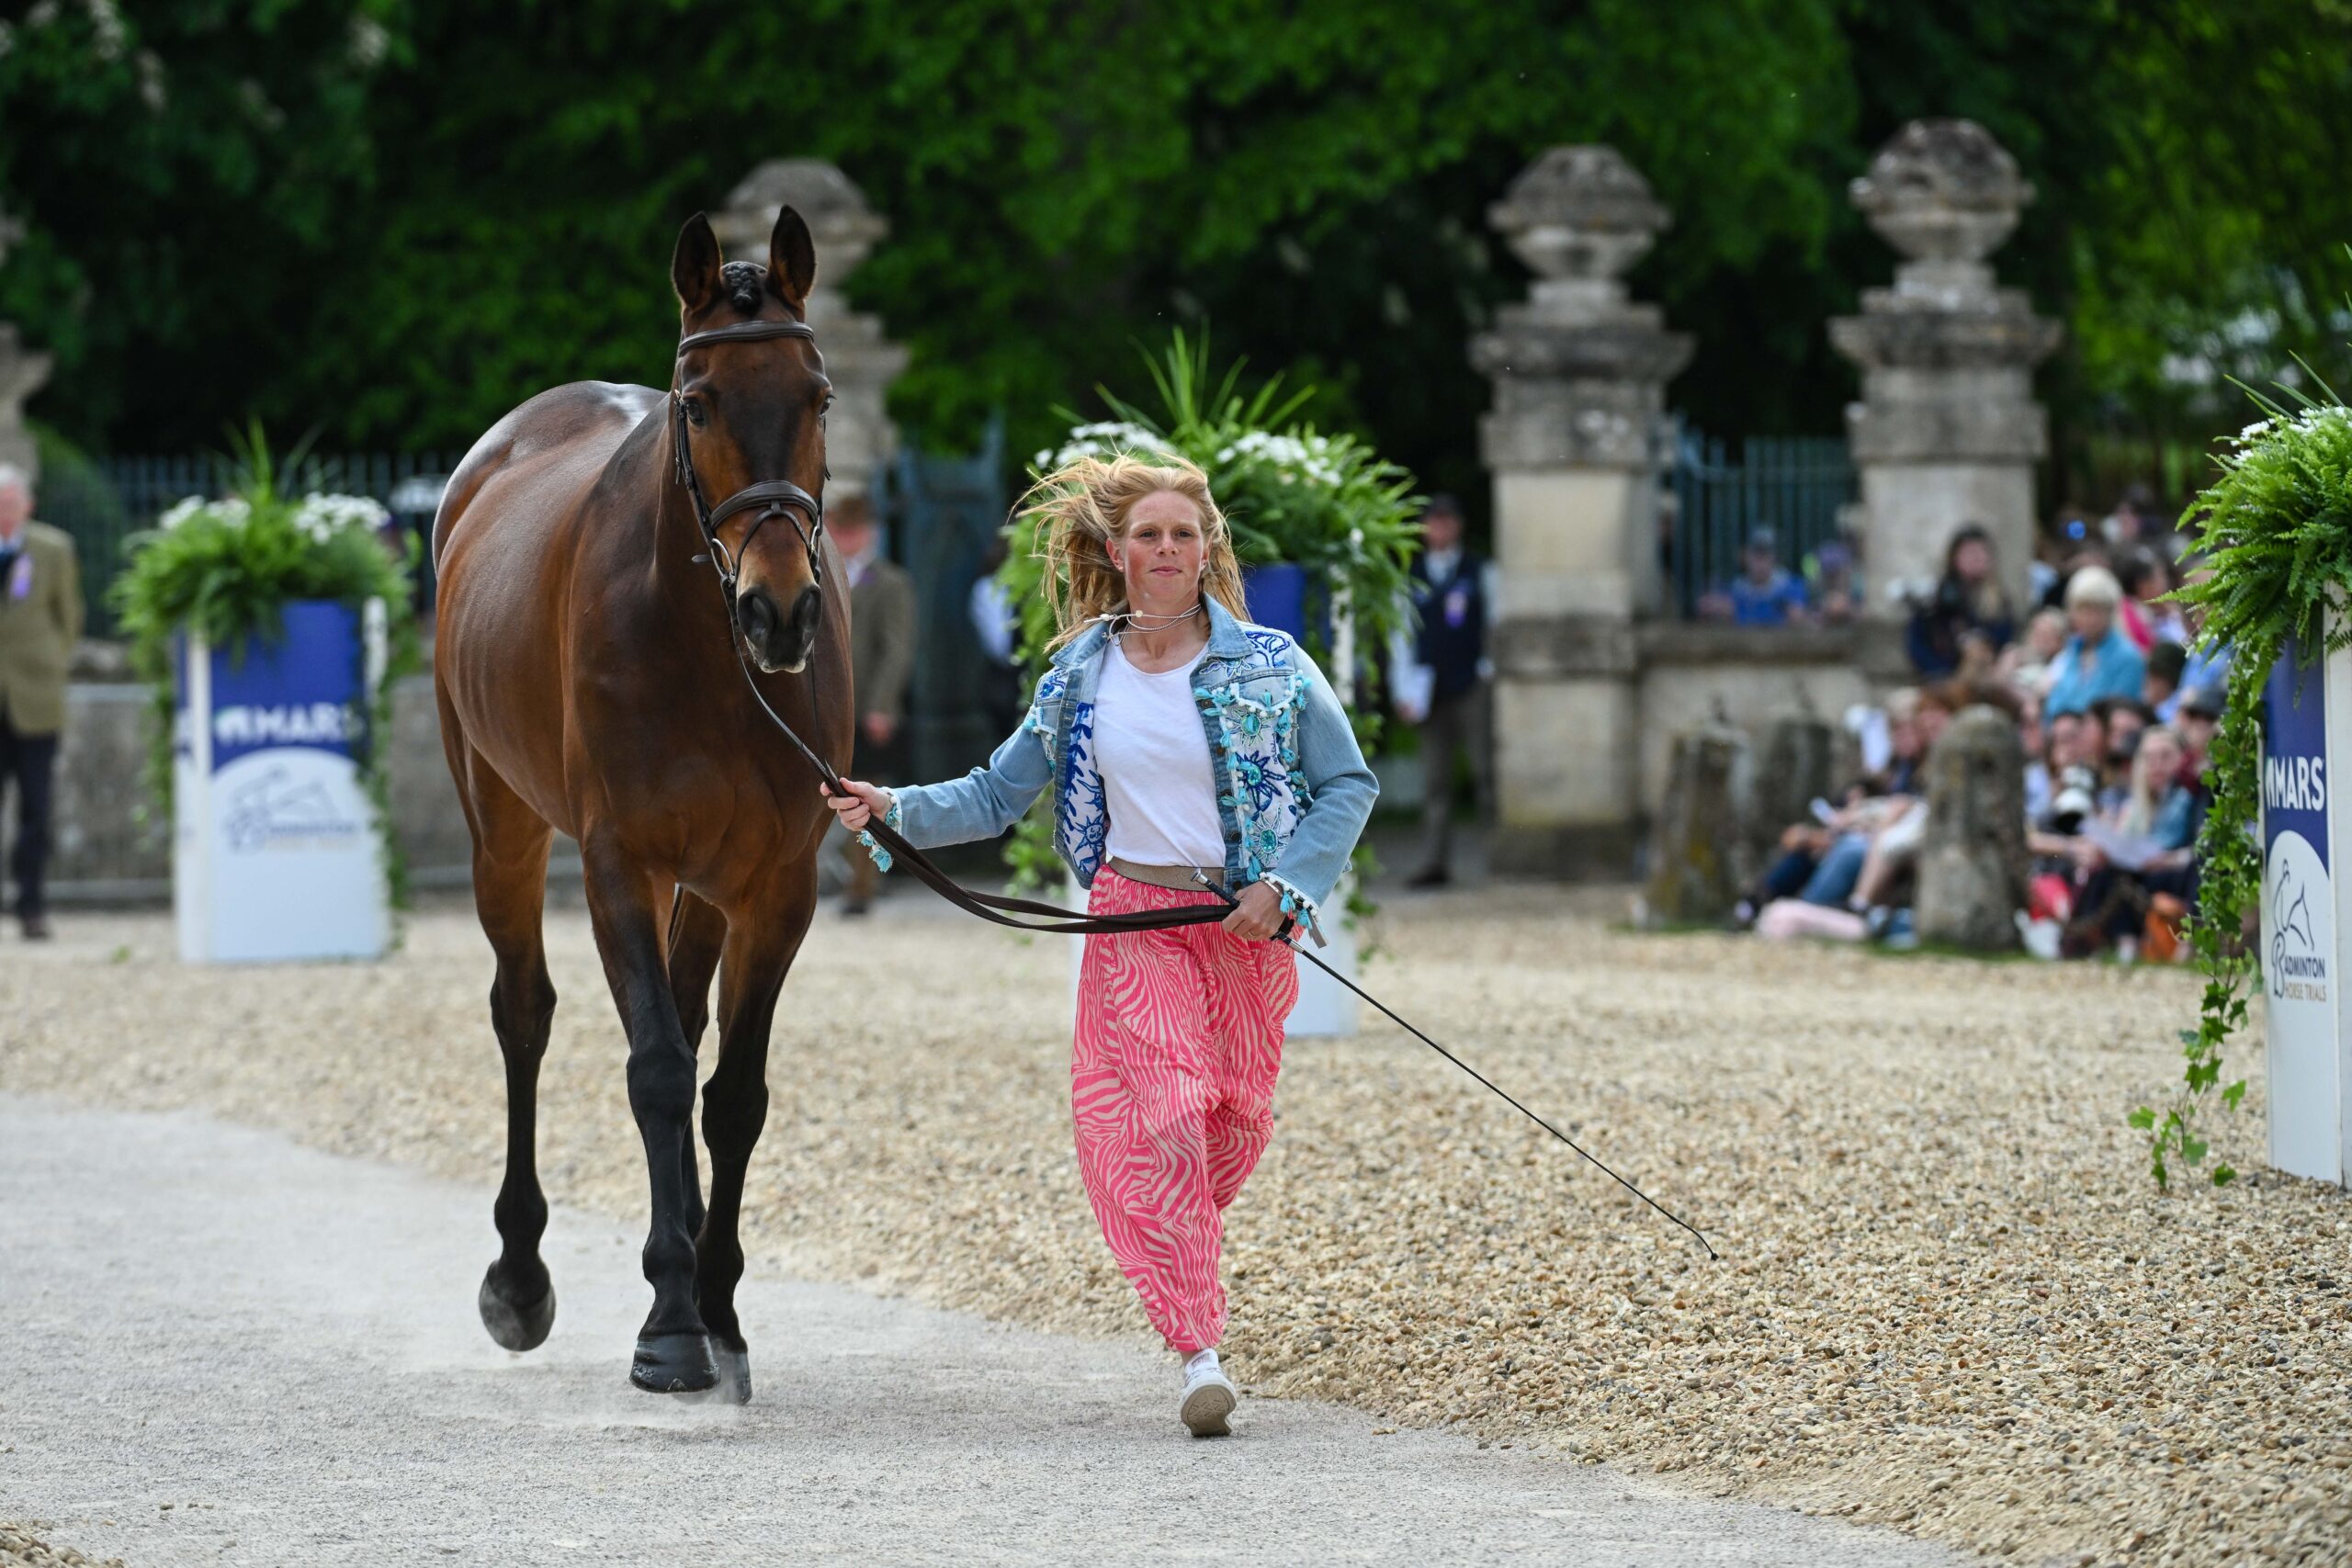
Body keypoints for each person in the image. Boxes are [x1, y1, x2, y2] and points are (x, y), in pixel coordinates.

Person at [820, 452, 1377, 1438]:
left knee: (1232, 1122)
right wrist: (892, 807)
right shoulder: (1080, 670)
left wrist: (1286, 884)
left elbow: (1347, 785)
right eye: (1149, 536)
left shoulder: (1275, 665)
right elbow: (996, 796)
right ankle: (1198, 1351)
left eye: (1183, 534)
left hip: (1245, 928)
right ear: (1117, 552)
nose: (1167, 550)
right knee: (1163, 1115)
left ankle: (1161, 1229)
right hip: (1131, 920)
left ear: (1207, 548)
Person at [1389, 493, 1494, 887]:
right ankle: (1436, 861)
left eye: (1447, 521)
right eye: (1434, 522)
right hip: (1428, 685)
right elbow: (1401, 635)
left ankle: (1496, 859)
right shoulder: (1411, 576)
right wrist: (1402, 687)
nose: (1440, 529)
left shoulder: (1478, 570)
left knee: (1486, 773)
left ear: (1458, 526)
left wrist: (1488, 667)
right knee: (1435, 780)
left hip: (1470, 682)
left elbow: (1495, 622)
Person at [0, 465, 79, 941]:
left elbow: (68, 618)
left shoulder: (52, 549)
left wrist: (50, 662)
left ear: (26, 506)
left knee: (37, 807)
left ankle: (31, 903)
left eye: (10, 504)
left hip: (35, 697)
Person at [832, 496, 915, 916]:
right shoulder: (817, 575)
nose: (845, 538)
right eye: (838, 528)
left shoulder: (890, 582)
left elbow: (896, 650)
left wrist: (882, 706)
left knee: (862, 795)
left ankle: (861, 887)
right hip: (823, 707)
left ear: (869, 534)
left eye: (852, 530)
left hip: (866, 706)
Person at [1905, 522, 2017, 677]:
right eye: (1969, 552)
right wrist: (1941, 673)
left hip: (1987, 678)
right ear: (1955, 557)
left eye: (1981, 552)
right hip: (1944, 678)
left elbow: (2003, 639)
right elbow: (1919, 643)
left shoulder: (1998, 601)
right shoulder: (1937, 598)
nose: (1976, 558)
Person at [2042, 565, 2145, 716]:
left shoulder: (2129, 658)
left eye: (2097, 610)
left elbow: (2117, 715)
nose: (2089, 619)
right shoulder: (2069, 653)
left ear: (2110, 612)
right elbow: (2052, 706)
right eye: (2082, 609)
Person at [1713, 526, 1809, 626]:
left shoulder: (1791, 585)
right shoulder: (1735, 588)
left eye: (1765, 555)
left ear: (1776, 557)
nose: (1760, 562)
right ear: (1744, 556)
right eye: (1756, 554)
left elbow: (1798, 616)